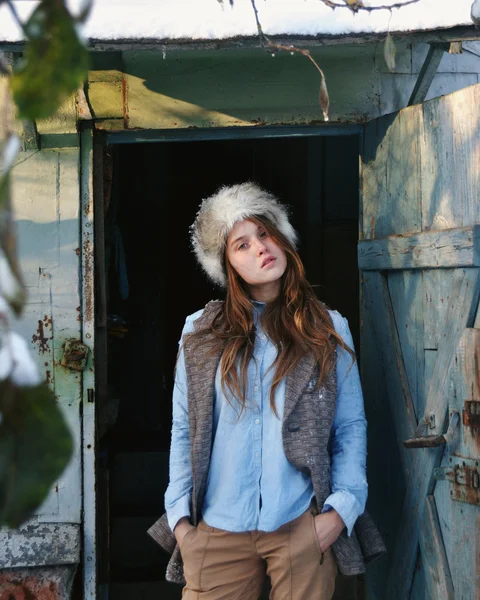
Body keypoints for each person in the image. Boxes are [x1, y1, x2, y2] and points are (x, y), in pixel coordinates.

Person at [148, 182, 385, 599]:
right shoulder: (199, 332)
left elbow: (349, 426)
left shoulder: (328, 328)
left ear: (283, 237)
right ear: (227, 266)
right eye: (241, 245)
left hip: (300, 525)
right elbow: (184, 429)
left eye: (265, 232)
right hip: (217, 531)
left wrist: (339, 511)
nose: (260, 248)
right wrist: (182, 523)